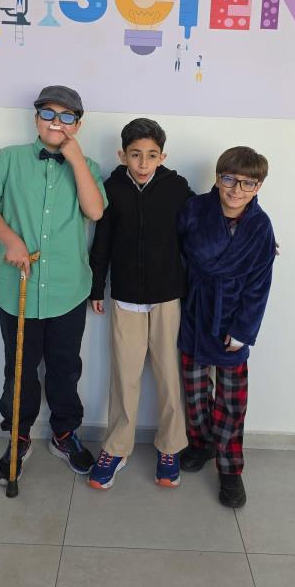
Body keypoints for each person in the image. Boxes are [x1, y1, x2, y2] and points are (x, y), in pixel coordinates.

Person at [0, 85, 107, 487]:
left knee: (65, 367)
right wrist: (11, 241)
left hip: (68, 290)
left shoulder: (88, 166)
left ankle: (64, 433)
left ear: (77, 125)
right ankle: (19, 435)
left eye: (66, 117)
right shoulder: (8, 158)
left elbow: (94, 211)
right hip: (19, 289)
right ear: (36, 119)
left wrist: (76, 159)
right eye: (48, 114)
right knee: (20, 369)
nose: (56, 123)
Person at [87, 118, 193, 489]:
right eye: (135, 155)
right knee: (125, 376)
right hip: (126, 297)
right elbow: (101, 241)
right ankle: (117, 448)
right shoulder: (112, 188)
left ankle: (171, 447)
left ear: (162, 156)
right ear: (123, 155)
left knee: (168, 375)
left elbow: (203, 226)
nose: (143, 163)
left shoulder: (177, 188)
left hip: (168, 298)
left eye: (151, 155)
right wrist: (97, 287)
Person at [178, 146, 276, 508]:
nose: (236, 189)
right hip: (195, 311)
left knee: (232, 402)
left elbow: (259, 284)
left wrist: (243, 330)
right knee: (194, 392)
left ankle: (230, 468)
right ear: (218, 178)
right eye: (229, 179)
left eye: (248, 183)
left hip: (233, 317)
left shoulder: (260, 226)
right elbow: (170, 249)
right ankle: (201, 443)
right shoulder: (194, 209)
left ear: (258, 187)